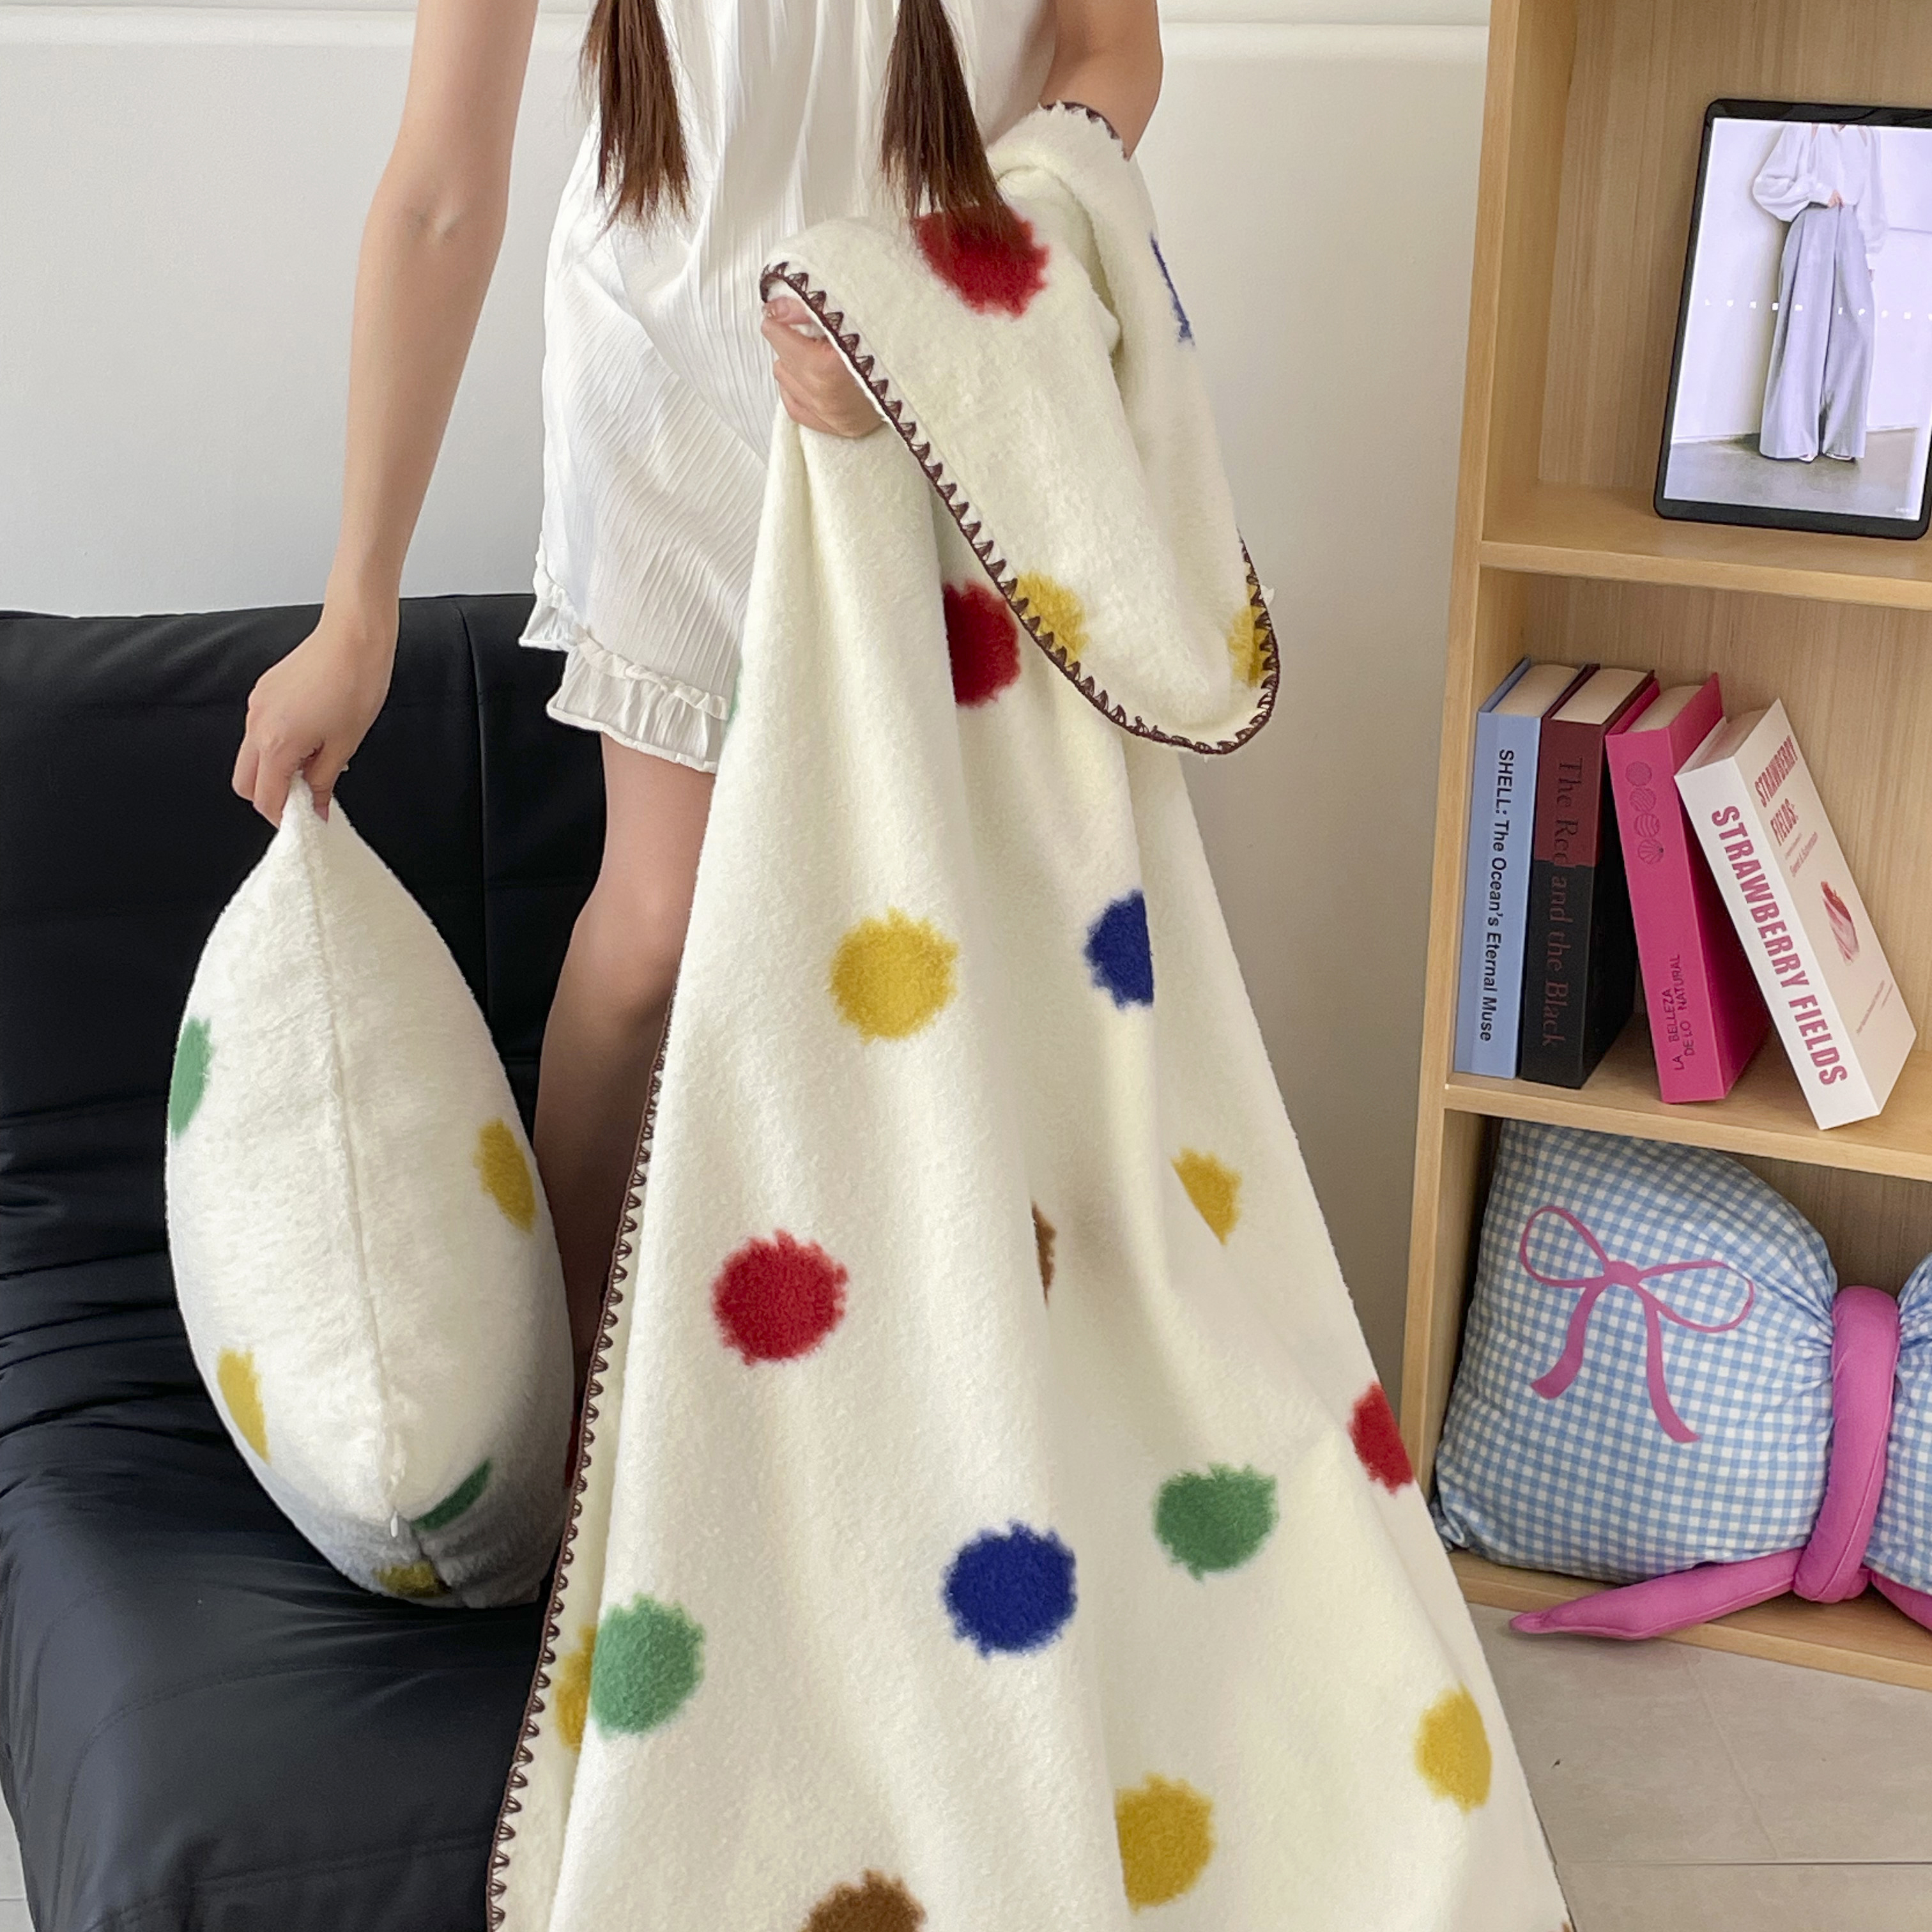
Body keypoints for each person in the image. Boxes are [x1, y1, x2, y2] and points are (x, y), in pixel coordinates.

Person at [229, 0, 1164, 1402]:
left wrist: (927, 303)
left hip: (938, 374)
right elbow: (439, 189)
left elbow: (1111, 51)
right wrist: (357, 608)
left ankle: (942, 1408)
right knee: (660, 935)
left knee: (952, 930)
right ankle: (571, 1411)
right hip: (668, 379)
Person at [1752, 119, 1888, 462]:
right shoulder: (1804, 128)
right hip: (1812, 228)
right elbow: (1766, 185)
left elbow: (1873, 198)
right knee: (1803, 332)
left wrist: (1870, 254)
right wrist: (1816, 190)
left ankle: (1842, 439)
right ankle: (1793, 437)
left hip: (1852, 234)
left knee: (1859, 333)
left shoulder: (1867, 135)